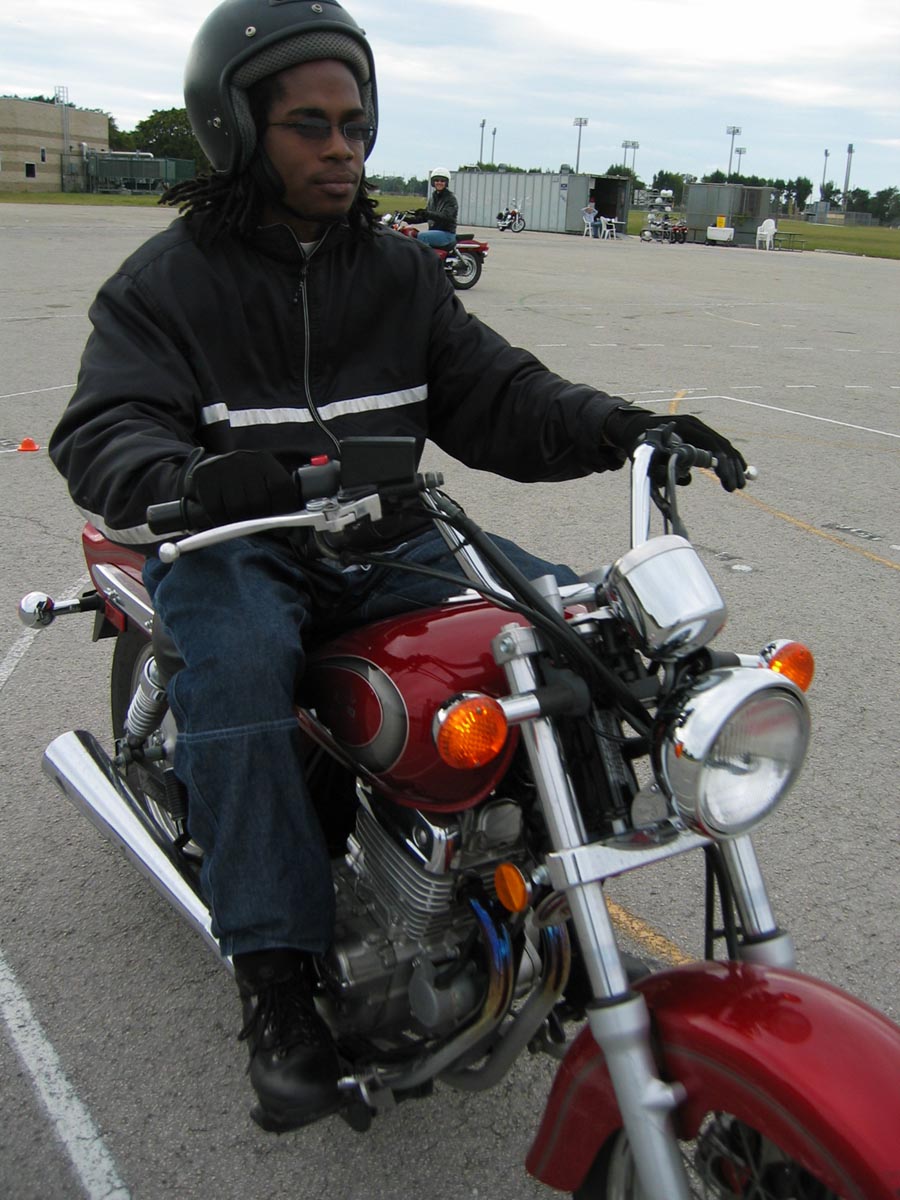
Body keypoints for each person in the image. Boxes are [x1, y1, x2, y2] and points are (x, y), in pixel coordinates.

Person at [48, 0, 747, 1134]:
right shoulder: (165, 284)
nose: (344, 149)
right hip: (239, 548)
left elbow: (501, 394)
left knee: (572, 621)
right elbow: (103, 426)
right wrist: (189, 476)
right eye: (311, 126)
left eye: (357, 125)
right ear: (236, 128)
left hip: (388, 532)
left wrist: (626, 427)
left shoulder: (399, 273)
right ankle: (277, 982)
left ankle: (543, 880)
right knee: (241, 664)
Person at [407, 167, 458, 248]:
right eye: (437, 180)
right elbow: (425, 217)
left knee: (422, 236)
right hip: (434, 232)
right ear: (433, 182)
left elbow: (446, 216)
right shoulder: (433, 198)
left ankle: (425, 256)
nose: (439, 183)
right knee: (408, 232)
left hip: (447, 233)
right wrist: (408, 219)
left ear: (446, 182)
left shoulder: (450, 198)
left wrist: (427, 213)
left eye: (442, 181)